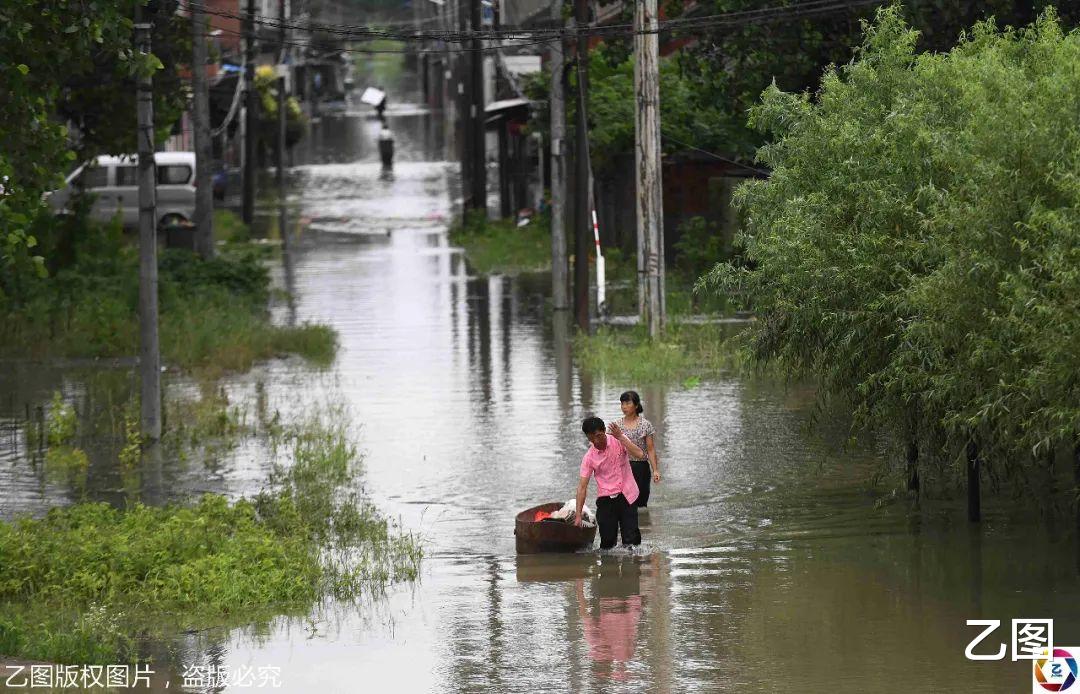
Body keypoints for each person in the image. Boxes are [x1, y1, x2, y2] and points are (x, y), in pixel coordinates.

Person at [575, 416, 646, 549]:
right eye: (591, 439)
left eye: (599, 436)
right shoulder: (589, 457)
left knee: (631, 542)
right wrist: (578, 515)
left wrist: (621, 437)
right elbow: (582, 487)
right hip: (606, 500)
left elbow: (639, 454)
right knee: (607, 543)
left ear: (604, 431)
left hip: (627, 496)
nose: (596, 441)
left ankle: (633, 566)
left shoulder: (619, 440)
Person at [616, 391, 661, 509]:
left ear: (636, 405)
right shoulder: (617, 426)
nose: (624, 407)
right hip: (623, 467)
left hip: (641, 467)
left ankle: (643, 525)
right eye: (622, 403)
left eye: (627, 403)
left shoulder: (645, 425)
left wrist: (655, 470)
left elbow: (650, 449)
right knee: (624, 502)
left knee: (640, 502)